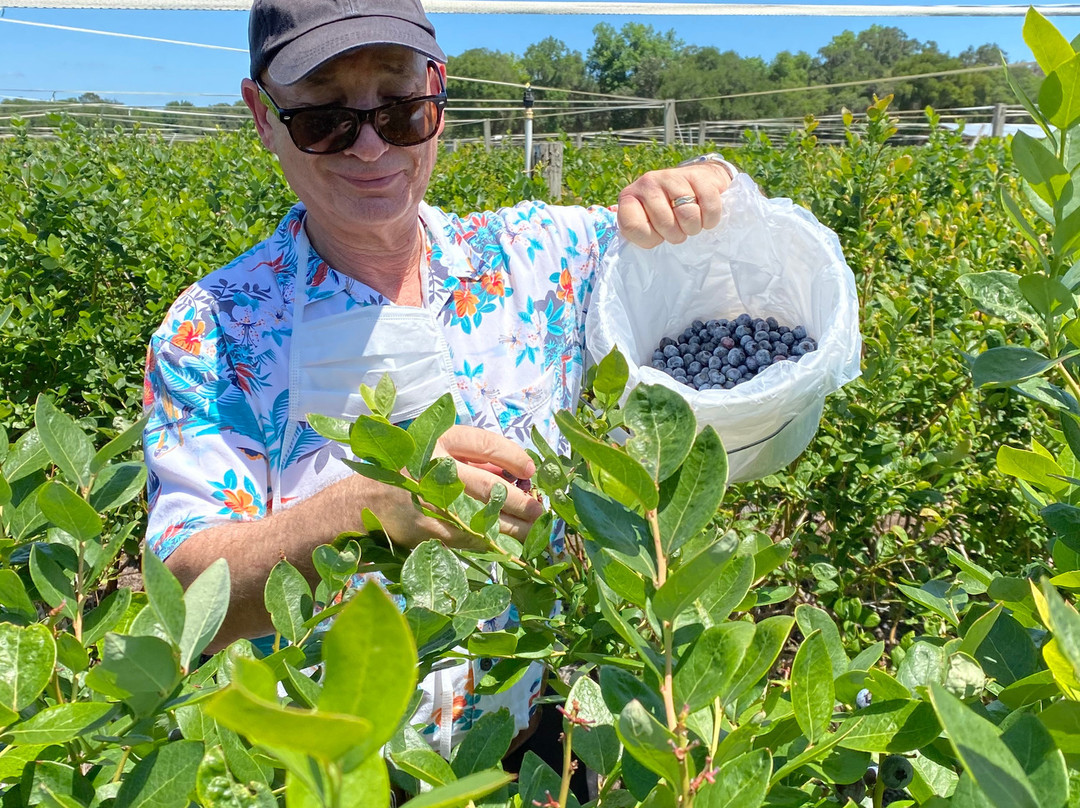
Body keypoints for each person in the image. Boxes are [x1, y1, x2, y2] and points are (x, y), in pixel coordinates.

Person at [142, 0, 736, 762]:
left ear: (439, 91)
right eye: (323, 118)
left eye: (399, 110)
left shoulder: (537, 258)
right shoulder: (214, 330)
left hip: (539, 729)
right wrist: (358, 510)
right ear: (263, 116)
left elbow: (706, 215)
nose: (368, 147)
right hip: (327, 761)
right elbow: (185, 591)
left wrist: (704, 179)